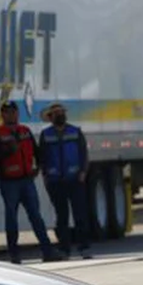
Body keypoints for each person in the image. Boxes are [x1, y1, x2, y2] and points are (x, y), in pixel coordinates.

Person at [0, 100, 59, 264]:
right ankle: (14, 254)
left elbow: (37, 152)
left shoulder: (25, 131)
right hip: (9, 182)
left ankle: (47, 251)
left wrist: (38, 168)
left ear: (17, 113)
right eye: (7, 112)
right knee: (11, 218)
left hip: (27, 180)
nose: (11, 114)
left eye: (13, 111)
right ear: (2, 114)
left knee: (36, 216)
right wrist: (6, 151)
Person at [38, 103, 95, 260]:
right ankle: (65, 249)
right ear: (51, 117)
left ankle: (84, 247)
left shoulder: (75, 132)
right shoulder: (46, 135)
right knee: (61, 217)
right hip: (55, 181)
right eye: (56, 113)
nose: (60, 115)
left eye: (61, 112)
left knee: (80, 215)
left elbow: (83, 154)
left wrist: (83, 172)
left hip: (75, 179)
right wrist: (45, 176)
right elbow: (41, 158)